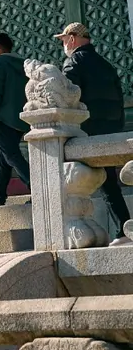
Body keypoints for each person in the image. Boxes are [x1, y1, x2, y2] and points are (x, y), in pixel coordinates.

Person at [59, 21, 128, 231]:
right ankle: (123, 227)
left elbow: (67, 96)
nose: (63, 45)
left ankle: (122, 229)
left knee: (101, 182)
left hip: (87, 130)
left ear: (71, 39)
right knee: (109, 182)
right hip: (112, 127)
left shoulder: (73, 63)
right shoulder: (106, 64)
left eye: (63, 40)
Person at [0, 32, 31, 204]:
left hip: (3, 118)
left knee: (11, 154)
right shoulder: (22, 63)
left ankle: (36, 186)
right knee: (3, 157)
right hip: (21, 118)